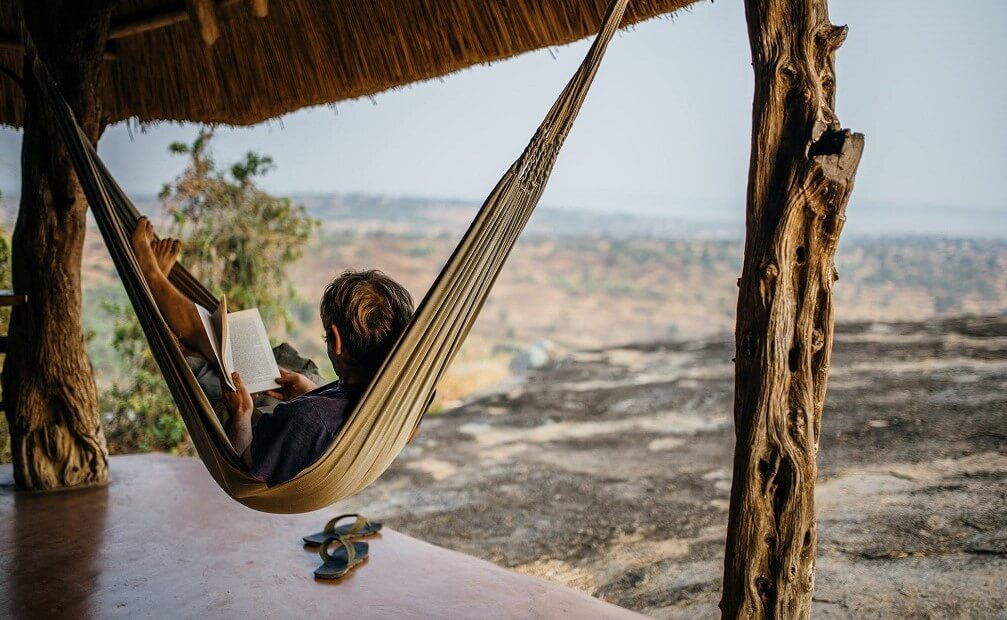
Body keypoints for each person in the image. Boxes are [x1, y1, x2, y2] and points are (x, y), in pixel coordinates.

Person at [130, 217, 417, 486]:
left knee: (211, 361)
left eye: (326, 337)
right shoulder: (402, 401)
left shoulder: (306, 419)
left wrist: (241, 414)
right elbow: (341, 422)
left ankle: (153, 281)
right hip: (312, 423)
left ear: (338, 341)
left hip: (267, 434)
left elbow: (244, 472)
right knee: (245, 353)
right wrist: (313, 392)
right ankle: (160, 288)